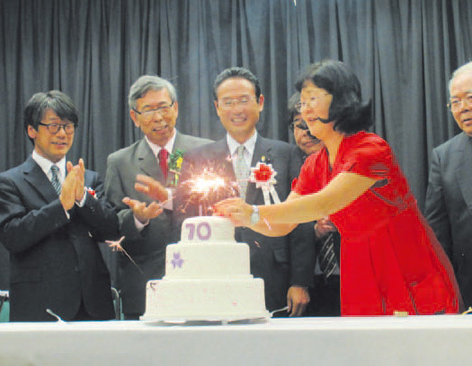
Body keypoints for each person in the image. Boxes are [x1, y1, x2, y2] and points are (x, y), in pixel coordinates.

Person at [215, 60, 462, 316]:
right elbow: (283, 222)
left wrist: (254, 212)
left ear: (342, 100)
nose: (305, 109)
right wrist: (242, 218)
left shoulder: (371, 150)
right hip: (358, 269)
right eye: (302, 101)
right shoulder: (314, 164)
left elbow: (324, 203)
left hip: (401, 262)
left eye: (313, 99)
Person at [174, 67, 315, 316]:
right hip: (213, 278)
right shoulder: (197, 159)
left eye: (243, 100)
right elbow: (184, 219)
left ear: (260, 103)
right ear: (217, 108)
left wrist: (300, 281)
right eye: (228, 102)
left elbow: (301, 220)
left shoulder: (287, 154)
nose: (237, 110)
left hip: (275, 277)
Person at [0, 91, 119, 322]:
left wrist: (82, 198)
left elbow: (111, 231)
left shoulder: (88, 179)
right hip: (40, 303)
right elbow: (12, 236)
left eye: (68, 126)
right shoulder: (10, 181)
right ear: (32, 130)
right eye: (53, 126)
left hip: (92, 303)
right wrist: (61, 205)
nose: (62, 134)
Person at [104, 75, 212, 320]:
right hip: (144, 283)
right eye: (149, 110)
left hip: (200, 277)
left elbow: (219, 207)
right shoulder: (120, 162)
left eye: (164, 107)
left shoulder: (205, 151)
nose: (159, 117)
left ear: (175, 108)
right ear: (135, 117)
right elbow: (110, 225)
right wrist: (137, 219)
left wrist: (170, 198)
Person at [425, 60, 472, 310]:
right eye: (455, 102)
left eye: (470, 97)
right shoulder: (445, 156)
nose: (462, 108)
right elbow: (437, 232)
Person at [288, 92, 341, 317]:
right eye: (300, 125)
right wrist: (314, 231)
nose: (308, 132)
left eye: (314, 122)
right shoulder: (287, 167)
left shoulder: (352, 160)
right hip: (308, 281)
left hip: (353, 275)